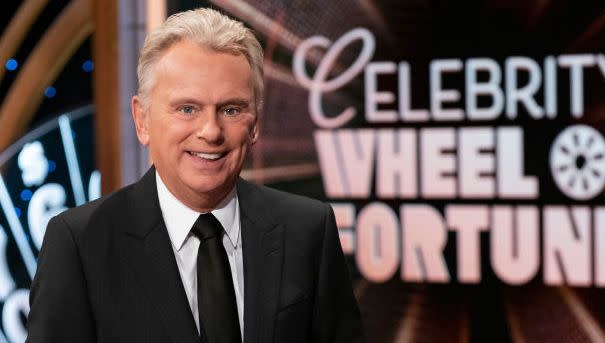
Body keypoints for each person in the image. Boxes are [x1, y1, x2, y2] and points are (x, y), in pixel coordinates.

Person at [26, 8, 363, 343]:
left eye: (231, 109)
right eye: (187, 109)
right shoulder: (81, 245)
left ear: (256, 123)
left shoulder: (308, 231)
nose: (211, 132)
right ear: (142, 120)